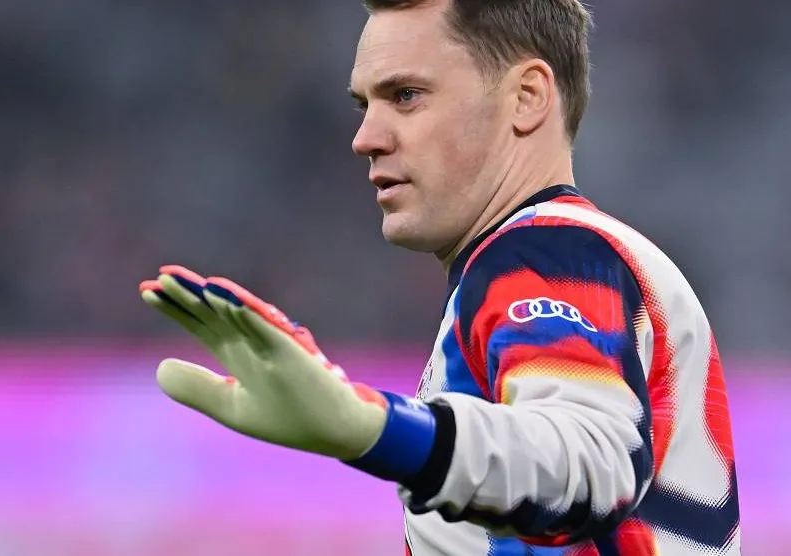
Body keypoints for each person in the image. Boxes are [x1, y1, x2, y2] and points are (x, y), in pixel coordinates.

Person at [139, 0, 741, 554]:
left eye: (405, 95)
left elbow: (587, 465)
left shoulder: (545, 252)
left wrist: (373, 428)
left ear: (527, 97)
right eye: (364, 106)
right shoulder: (568, 256)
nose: (364, 139)